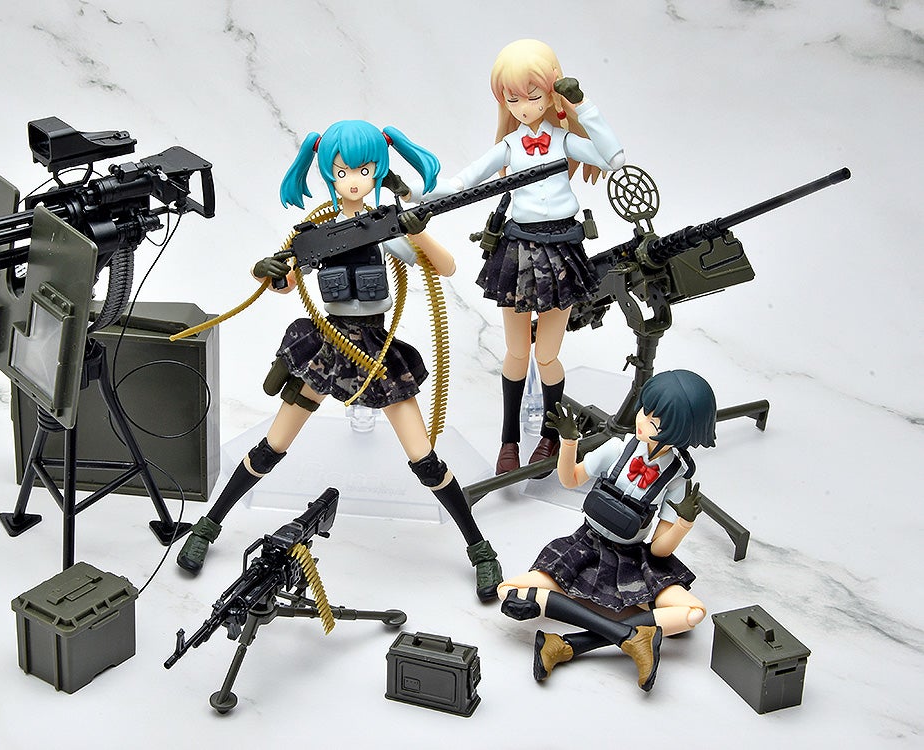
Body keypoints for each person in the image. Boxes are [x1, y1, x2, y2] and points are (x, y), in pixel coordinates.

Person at [176, 119, 504, 601]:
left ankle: (480, 549)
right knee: (272, 445)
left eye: (365, 171)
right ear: (330, 172)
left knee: (425, 459)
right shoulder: (317, 233)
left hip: (375, 351)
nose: (354, 180)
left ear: (378, 172)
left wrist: (417, 231)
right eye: (344, 171)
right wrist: (268, 270)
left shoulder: (383, 227)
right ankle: (208, 526)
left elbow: (446, 267)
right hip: (327, 347)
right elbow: (286, 278)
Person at [426, 39, 624, 475]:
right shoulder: (510, 147)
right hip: (517, 252)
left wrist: (582, 104)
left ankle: (551, 434)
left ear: (551, 94)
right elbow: (463, 181)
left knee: (547, 355)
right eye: (511, 99)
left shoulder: (564, 140)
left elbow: (614, 157)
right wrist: (416, 194)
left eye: (532, 96)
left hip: (563, 249)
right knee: (516, 352)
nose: (522, 107)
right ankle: (509, 439)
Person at [496, 370, 716, 690]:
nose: (642, 422)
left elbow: (659, 549)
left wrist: (684, 523)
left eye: (655, 423)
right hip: (586, 546)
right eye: (645, 411)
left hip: (632, 559)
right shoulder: (617, 449)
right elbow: (571, 479)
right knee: (509, 592)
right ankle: (628, 636)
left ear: (682, 432)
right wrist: (569, 442)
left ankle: (567, 644)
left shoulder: (676, 478)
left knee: (692, 612)